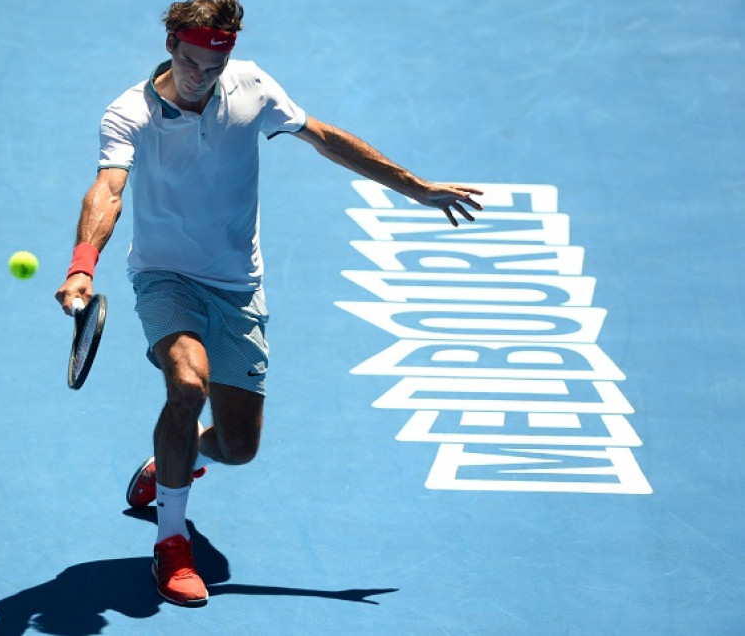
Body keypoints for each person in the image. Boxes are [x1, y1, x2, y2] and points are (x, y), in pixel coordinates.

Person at [54, 0, 482, 608]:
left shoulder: (251, 87)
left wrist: (414, 187)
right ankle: (172, 545)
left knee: (238, 447)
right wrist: (81, 266)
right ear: (173, 43)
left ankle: (171, 460)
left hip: (237, 286)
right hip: (163, 275)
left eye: (216, 64)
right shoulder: (130, 113)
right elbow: (108, 189)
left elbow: (327, 140)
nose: (204, 77)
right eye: (194, 63)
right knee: (187, 382)